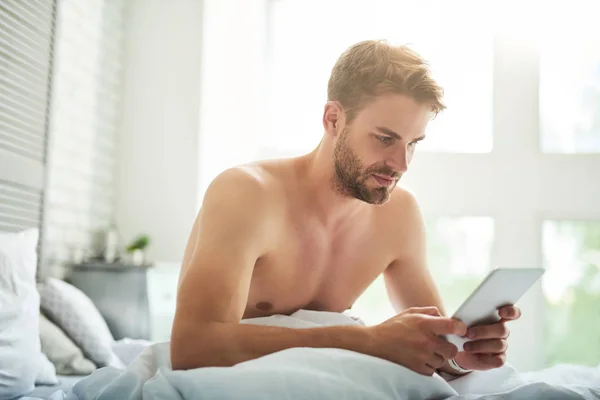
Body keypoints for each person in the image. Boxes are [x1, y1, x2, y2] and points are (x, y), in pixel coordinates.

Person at [170, 39, 521, 378]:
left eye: (412, 143)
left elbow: (439, 347)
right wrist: (365, 340)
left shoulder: (399, 215)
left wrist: (464, 355)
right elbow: (192, 347)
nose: (401, 164)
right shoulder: (247, 194)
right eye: (385, 139)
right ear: (333, 119)